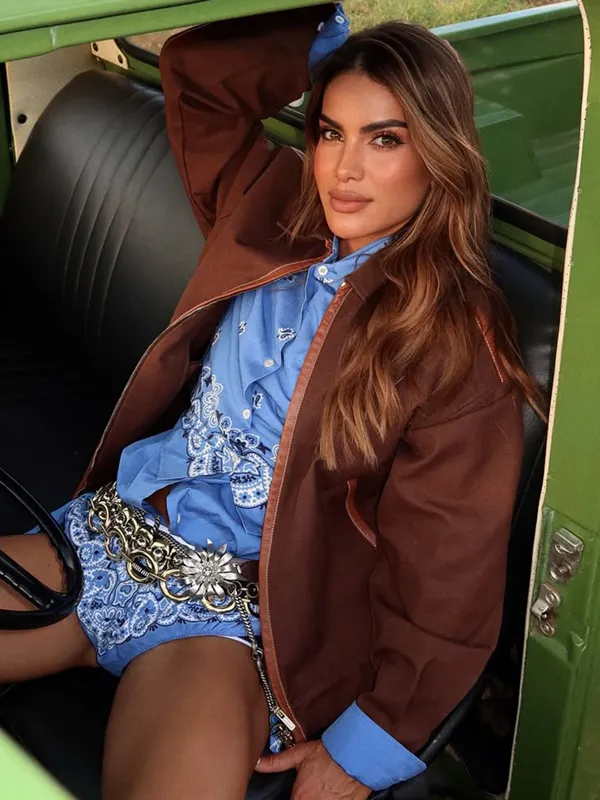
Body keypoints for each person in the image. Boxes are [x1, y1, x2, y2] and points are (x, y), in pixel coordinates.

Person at [0, 4, 541, 799]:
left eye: (384, 139)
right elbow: (201, 83)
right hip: (114, 536)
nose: (345, 169)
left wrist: (366, 747)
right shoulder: (272, 206)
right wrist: (314, 24)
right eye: (330, 132)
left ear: (439, 152)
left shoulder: (456, 346)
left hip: (238, 622)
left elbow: (446, 573)